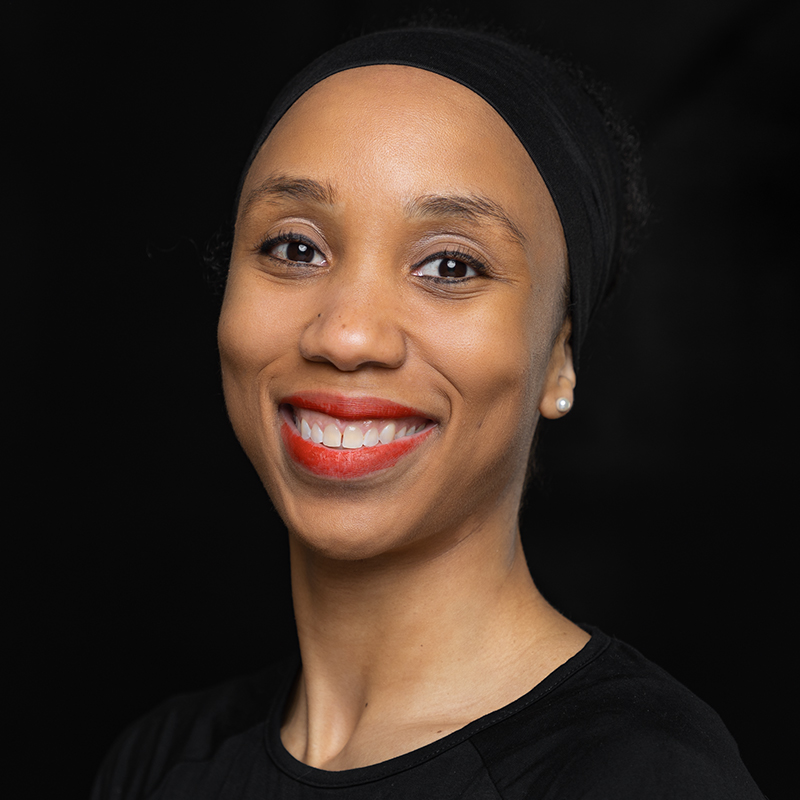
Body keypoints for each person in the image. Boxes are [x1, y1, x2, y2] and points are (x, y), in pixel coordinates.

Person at [92, 24, 765, 799]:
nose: (347, 335)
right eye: (295, 248)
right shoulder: (161, 763)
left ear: (559, 359)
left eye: (449, 264)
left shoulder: (640, 776)